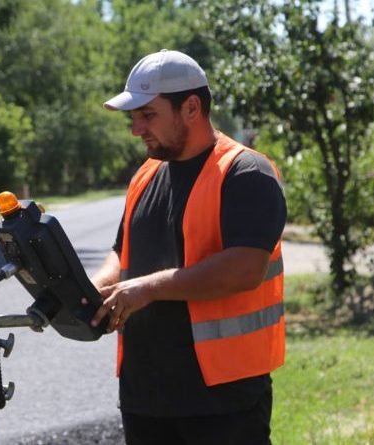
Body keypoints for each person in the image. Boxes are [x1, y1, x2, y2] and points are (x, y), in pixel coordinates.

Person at [88, 49, 287, 445]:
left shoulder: (246, 172)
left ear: (191, 107)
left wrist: (148, 288)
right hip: (145, 395)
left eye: (148, 115)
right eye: (134, 117)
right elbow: (122, 251)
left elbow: (245, 268)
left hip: (222, 401)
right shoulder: (145, 174)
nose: (136, 129)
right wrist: (98, 286)